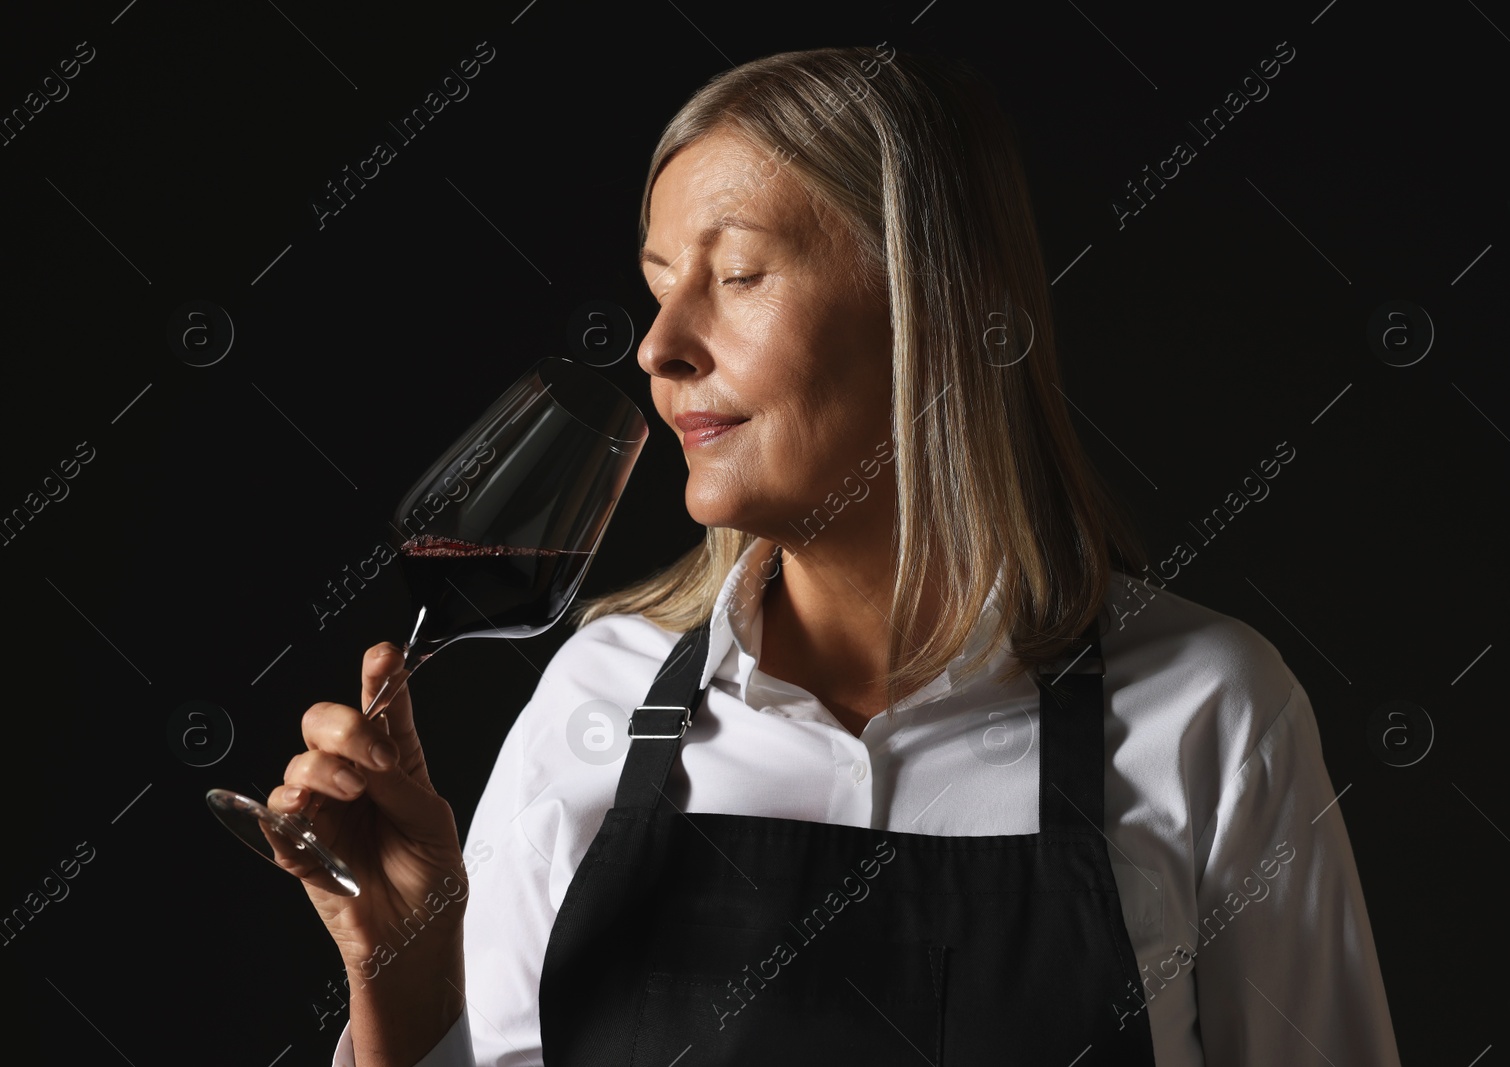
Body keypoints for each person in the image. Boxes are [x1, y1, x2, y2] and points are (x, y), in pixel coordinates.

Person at [270, 45, 1403, 1066]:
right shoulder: (597, 696)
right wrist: (402, 972)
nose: (660, 347)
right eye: (663, 282)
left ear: (935, 305)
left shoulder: (1209, 710)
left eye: (739, 274)